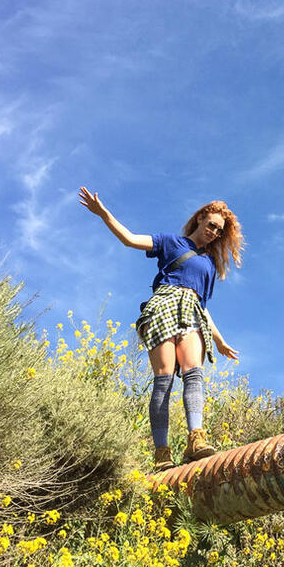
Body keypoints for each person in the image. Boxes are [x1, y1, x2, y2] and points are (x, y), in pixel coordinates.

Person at [78, 187, 243, 472]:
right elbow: (129, 240)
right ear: (201, 218)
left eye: (219, 231)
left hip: (191, 310)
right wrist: (103, 213)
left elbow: (202, 306)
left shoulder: (208, 265)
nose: (214, 233)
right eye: (211, 225)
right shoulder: (171, 243)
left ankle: (196, 439)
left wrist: (219, 340)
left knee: (194, 372)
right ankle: (161, 452)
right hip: (164, 305)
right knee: (164, 377)